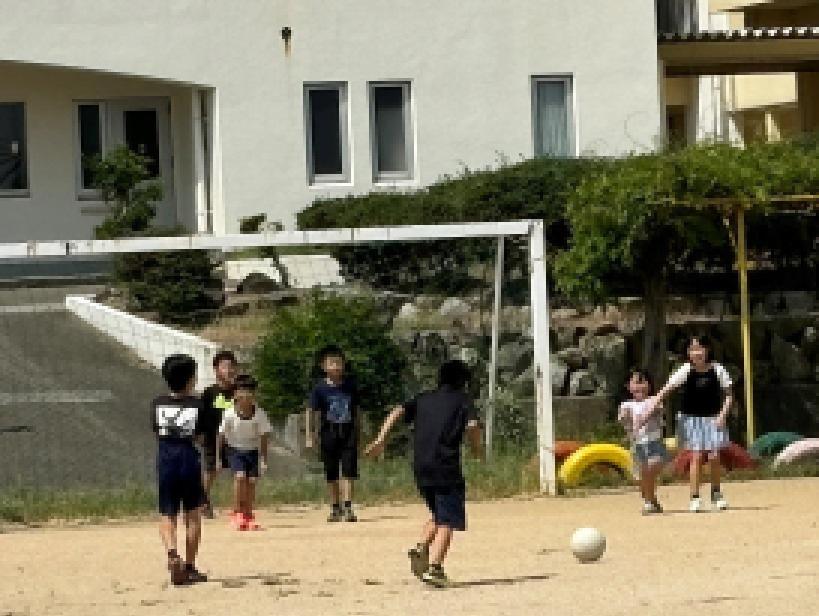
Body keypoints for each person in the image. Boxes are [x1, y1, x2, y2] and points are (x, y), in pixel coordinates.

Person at [365, 360, 483, 588]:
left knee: (439, 514)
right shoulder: (462, 400)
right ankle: (436, 568)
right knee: (448, 519)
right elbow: (472, 426)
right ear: (464, 382)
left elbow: (397, 410)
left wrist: (381, 439)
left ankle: (422, 546)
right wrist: (477, 449)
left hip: (421, 466)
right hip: (445, 466)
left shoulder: (424, 398)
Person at [647, 335, 733, 513]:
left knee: (714, 456)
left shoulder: (718, 369)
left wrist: (723, 415)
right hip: (690, 420)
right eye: (692, 349)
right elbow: (667, 389)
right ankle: (695, 497)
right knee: (696, 457)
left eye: (700, 348)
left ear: (707, 349)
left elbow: (729, 395)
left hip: (713, 419)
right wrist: (651, 406)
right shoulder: (685, 370)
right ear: (687, 352)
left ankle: (716, 493)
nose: (696, 353)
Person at [151, 353, 208, 585]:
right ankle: (190, 567)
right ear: (190, 379)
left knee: (167, 513)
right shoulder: (197, 405)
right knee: (193, 515)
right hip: (188, 459)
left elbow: (157, 433)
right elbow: (200, 437)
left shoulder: (157, 403)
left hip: (166, 459)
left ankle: (172, 553)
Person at [305, 345, 360, 523]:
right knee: (331, 471)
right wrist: (310, 434)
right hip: (329, 432)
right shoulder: (319, 389)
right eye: (332, 363)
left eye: (339, 363)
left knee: (349, 470)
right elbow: (311, 411)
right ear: (324, 366)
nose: (336, 366)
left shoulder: (350, 386)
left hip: (348, 431)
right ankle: (335, 507)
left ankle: (348, 506)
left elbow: (357, 410)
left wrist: (359, 431)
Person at [216, 374, 271, 531]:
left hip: (252, 450)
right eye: (241, 391)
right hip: (234, 449)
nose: (245, 395)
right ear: (235, 394)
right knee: (240, 477)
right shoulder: (229, 413)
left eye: (249, 391)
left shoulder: (259, 414)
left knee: (252, 481)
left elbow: (264, 437)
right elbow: (220, 435)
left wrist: (263, 460)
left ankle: (248, 514)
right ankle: (237, 512)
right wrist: (219, 458)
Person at [617, 369, 668, 515]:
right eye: (635, 383)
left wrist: (653, 410)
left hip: (654, 442)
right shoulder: (626, 405)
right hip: (637, 445)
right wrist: (624, 417)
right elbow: (623, 421)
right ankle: (651, 500)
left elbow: (659, 410)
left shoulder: (654, 400)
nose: (639, 386)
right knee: (641, 479)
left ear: (649, 385)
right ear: (628, 386)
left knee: (651, 468)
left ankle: (649, 502)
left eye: (643, 382)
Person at [200, 350, 238, 518]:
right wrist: (200, 433)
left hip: (235, 437)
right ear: (216, 370)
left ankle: (239, 506)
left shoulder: (239, 391)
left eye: (232, 367)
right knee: (211, 471)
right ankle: (202, 502)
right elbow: (200, 415)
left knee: (239, 471)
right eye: (224, 367)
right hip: (212, 437)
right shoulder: (209, 393)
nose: (229, 370)